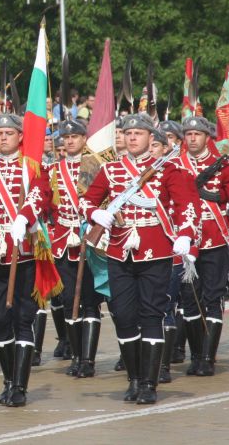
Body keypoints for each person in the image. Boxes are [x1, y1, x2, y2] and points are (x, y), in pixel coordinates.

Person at [79, 114, 199, 405]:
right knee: (122, 314)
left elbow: (188, 206)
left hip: (155, 250)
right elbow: (86, 200)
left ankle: (149, 383)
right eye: (128, 133)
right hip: (119, 250)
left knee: (151, 315)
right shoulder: (110, 170)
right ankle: (133, 378)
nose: (132, 138)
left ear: (150, 138)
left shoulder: (169, 170)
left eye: (138, 133)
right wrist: (95, 214)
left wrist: (185, 234)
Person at [0, 114, 49, 407]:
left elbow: (43, 195)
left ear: (20, 137)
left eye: (9, 133)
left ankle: (20, 385)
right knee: (0, 320)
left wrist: (25, 216)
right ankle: (7, 379)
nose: (3, 138)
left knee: (23, 320)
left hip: (25, 252)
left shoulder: (32, 168)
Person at [17, 119, 104, 377]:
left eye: (75, 136)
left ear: (83, 139)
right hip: (63, 240)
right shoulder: (53, 170)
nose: (69, 141)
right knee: (67, 300)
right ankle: (76, 356)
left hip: (89, 237)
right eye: (65, 138)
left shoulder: (97, 166)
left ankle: (87, 360)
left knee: (89, 301)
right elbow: (45, 203)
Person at [176, 116, 229, 377]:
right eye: (189, 134)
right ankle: (195, 355)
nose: (192, 138)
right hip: (185, 240)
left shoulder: (223, 166)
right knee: (189, 300)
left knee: (213, 296)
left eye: (198, 134)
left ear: (208, 137)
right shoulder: (176, 165)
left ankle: (207, 356)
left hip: (215, 238)